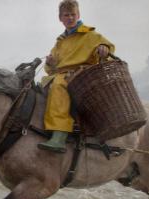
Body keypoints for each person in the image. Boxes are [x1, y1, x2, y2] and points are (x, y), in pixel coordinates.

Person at [38, 0, 115, 153]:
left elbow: (109, 49)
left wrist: (104, 48)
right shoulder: (60, 42)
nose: (70, 18)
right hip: (62, 74)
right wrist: (51, 63)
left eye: (73, 14)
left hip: (83, 75)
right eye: (66, 15)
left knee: (59, 84)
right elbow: (50, 70)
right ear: (60, 18)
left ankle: (59, 135)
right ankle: (43, 126)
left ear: (78, 15)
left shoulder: (91, 35)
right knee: (41, 86)